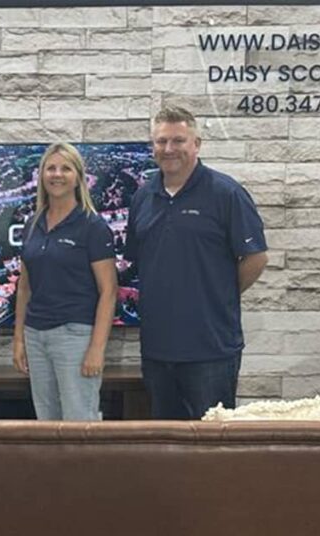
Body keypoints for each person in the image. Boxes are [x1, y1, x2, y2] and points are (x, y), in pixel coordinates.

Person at [126, 106, 268, 419]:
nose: (169, 149)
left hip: (211, 349)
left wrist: (221, 294)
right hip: (157, 349)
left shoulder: (226, 193)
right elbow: (137, 262)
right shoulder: (142, 197)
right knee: (166, 447)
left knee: (212, 451)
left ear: (197, 144)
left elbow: (256, 257)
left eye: (178, 141)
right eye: (161, 142)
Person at [11, 142, 119, 421]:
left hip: (76, 337)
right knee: (46, 424)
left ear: (79, 178)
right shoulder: (32, 223)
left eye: (65, 168)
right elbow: (24, 287)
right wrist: (19, 339)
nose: (57, 174)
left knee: (79, 422)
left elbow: (109, 291)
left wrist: (96, 349)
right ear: (41, 175)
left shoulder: (92, 226)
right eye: (51, 168)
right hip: (36, 336)